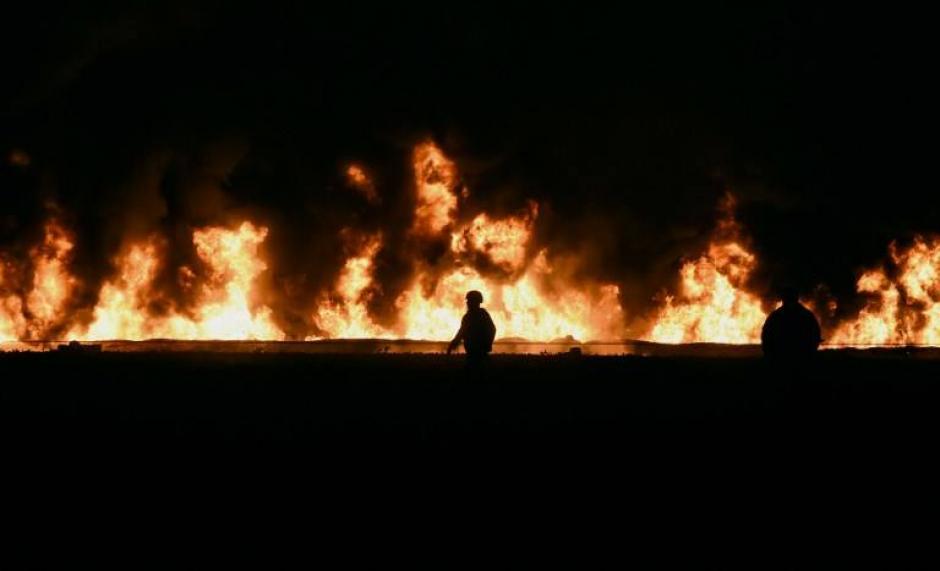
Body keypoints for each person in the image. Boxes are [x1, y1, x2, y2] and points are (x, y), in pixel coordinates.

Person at [761, 286, 822, 359]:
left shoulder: (775, 316)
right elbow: (815, 335)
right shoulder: (807, 315)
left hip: (785, 357)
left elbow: (766, 336)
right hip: (795, 357)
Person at [447, 290, 496, 362]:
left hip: (474, 353)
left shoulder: (470, 317)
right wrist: (487, 344)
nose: (467, 303)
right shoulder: (483, 314)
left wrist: (452, 346)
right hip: (480, 352)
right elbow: (492, 329)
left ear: (475, 302)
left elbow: (461, 333)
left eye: (469, 300)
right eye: (468, 301)